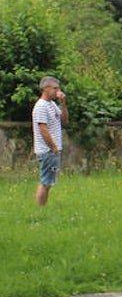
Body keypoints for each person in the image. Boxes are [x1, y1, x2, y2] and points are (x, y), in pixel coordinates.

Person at [32, 75, 67, 206]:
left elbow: (64, 121)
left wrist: (63, 104)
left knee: (49, 181)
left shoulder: (51, 104)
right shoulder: (41, 106)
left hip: (53, 150)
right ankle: (40, 208)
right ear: (45, 88)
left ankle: (43, 206)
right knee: (46, 181)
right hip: (47, 150)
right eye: (55, 88)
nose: (58, 91)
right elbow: (43, 129)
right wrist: (53, 147)